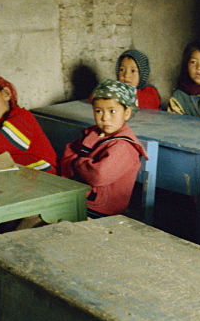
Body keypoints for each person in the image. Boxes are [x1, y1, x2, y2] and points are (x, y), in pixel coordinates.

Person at [59, 79, 147, 218]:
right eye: (98, 111)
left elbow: (97, 176)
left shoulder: (124, 146)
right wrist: (84, 164)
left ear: (127, 113)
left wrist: (75, 162)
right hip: (81, 196)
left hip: (102, 210)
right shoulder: (93, 132)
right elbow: (68, 150)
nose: (105, 118)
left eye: (112, 111)